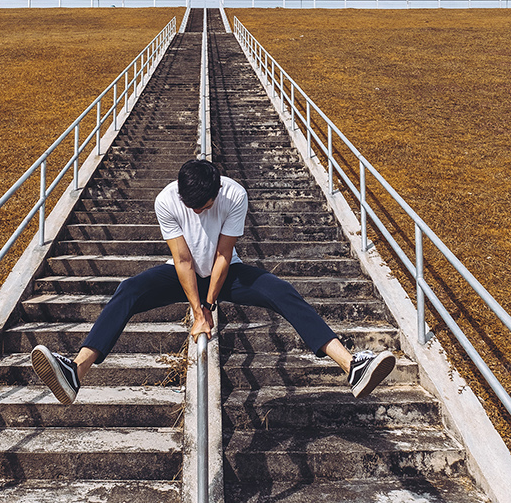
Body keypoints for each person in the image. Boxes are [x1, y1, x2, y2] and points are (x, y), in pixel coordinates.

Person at [30, 158, 396, 404]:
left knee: (281, 291)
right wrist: (196, 311)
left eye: (201, 205)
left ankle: (352, 366)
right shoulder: (166, 201)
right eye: (189, 205)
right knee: (129, 289)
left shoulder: (234, 195)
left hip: (228, 273)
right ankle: (76, 371)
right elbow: (183, 259)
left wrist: (208, 307)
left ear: (216, 193)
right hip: (183, 275)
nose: (195, 211)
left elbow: (222, 256)